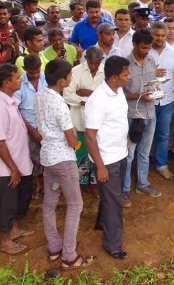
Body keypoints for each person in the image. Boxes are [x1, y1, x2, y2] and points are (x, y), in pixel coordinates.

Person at [34, 59, 93, 269]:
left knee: (49, 203)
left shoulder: (40, 95)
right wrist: (77, 144)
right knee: (75, 205)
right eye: (69, 76)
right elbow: (70, 138)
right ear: (61, 80)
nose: (72, 78)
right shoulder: (59, 103)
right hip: (63, 159)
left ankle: (54, 247)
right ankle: (69, 255)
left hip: (47, 157)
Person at [0, 64, 35, 255]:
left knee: (21, 197)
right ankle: (5, 241)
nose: (21, 79)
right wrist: (13, 168)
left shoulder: (10, 101)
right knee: (8, 203)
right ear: (6, 82)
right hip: (7, 167)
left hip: (18, 163)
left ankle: (14, 230)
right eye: (18, 77)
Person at [85, 56, 131, 260]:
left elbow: (119, 120)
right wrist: (101, 166)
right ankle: (113, 245)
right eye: (126, 74)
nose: (129, 77)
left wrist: (126, 138)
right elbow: (90, 135)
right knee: (114, 202)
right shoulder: (98, 100)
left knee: (112, 195)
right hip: (107, 159)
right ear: (114, 78)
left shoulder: (118, 91)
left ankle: (101, 223)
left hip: (120, 153)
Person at [122, 29, 161, 203]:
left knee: (145, 152)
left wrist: (156, 92)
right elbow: (120, 92)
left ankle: (142, 184)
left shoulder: (152, 60)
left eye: (149, 48)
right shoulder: (124, 65)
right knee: (129, 154)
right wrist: (140, 96)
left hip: (150, 112)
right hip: (132, 115)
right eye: (144, 48)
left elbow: (153, 85)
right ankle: (124, 189)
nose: (146, 51)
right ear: (134, 45)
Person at [64, 46, 105, 187]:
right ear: (85, 59)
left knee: (96, 153)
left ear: (101, 60)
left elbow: (107, 96)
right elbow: (68, 95)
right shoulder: (75, 71)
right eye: (91, 62)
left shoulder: (106, 71)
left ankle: (94, 184)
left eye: (96, 63)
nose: (93, 66)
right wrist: (88, 100)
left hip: (99, 122)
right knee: (80, 153)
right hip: (79, 121)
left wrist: (87, 93)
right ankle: (80, 184)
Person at [147, 22, 174, 180]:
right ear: (151, 34)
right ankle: (143, 164)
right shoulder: (145, 51)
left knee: (163, 134)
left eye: (162, 35)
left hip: (167, 100)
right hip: (147, 100)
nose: (159, 38)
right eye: (156, 35)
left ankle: (162, 165)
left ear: (167, 35)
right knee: (147, 133)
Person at [15, 54, 47, 200]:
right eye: (31, 72)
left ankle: (48, 185)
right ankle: (37, 185)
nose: (35, 75)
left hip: (46, 125)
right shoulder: (19, 82)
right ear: (24, 69)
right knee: (33, 159)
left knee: (48, 157)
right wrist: (32, 129)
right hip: (27, 126)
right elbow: (16, 109)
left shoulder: (46, 78)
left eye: (37, 71)